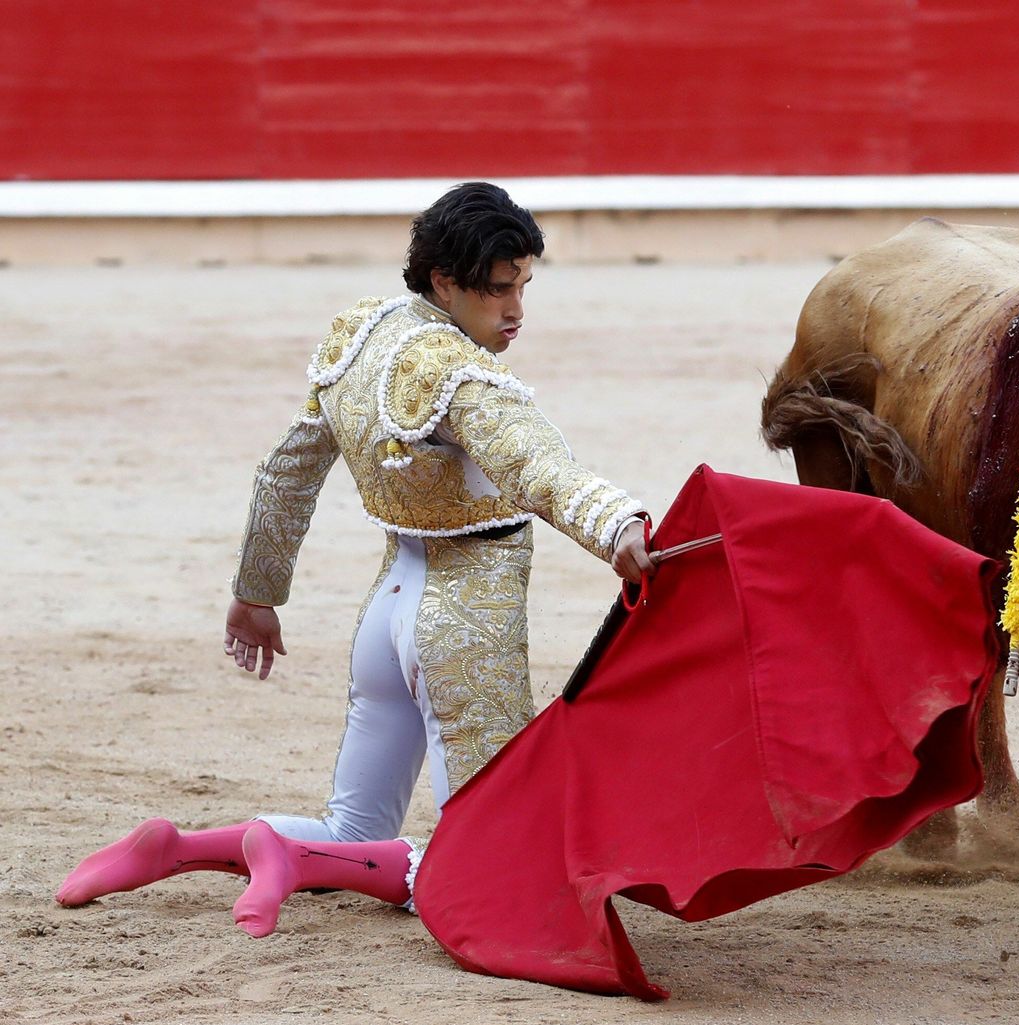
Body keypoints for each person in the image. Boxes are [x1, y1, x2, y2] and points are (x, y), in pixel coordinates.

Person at [57, 182, 655, 935]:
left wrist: (257, 592)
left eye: (524, 287)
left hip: (388, 615)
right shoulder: (461, 374)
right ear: (445, 281)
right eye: (499, 290)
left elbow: (287, 472)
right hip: (463, 633)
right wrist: (617, 527)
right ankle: (287, 857)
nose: (516, 313)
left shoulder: (360, 336)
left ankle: (180, 847)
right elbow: (538, 466)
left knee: (352, 828)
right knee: (493, 857)